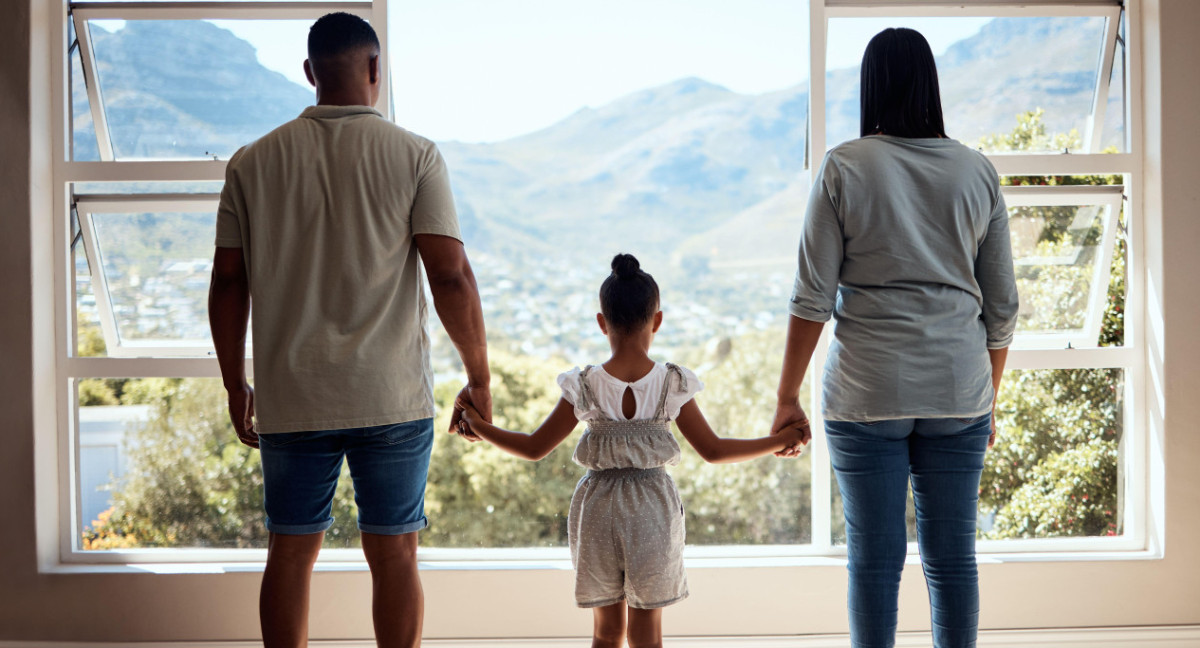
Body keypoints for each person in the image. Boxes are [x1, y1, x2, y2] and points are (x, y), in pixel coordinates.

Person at [208, 12, 490, 648]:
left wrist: (235, 384)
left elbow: (229, 284)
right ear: (375, 71)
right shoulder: (415, 154)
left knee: (290, 553)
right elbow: (451, 277)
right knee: (394, 557)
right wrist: (478, 376)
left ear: (309, 73)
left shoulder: (251, 163)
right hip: (390, 396)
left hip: (292, 395)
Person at [770, 28, 1019, 648]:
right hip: (958, 389)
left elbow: (811, 300)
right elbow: (1003, 306)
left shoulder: (844, 167)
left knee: (874, 564)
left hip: (865, 389)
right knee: (953, 561)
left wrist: (786, 397)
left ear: (871, 85)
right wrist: (987, 393)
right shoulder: (976, 171)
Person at [458, 253, 807, 648]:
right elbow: (714, 450)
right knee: (647, 636)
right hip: (652, 510)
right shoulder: (671, 383)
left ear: (602, 323)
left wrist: (479, 425)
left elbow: (534, 447)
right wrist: (783, 439)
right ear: (656, 320)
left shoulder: (584, 384)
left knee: (606, 634)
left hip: (597, 509)